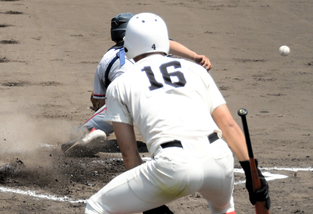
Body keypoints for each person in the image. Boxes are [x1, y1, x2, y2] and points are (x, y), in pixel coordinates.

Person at [83, 12, 270, 214]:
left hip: (173, 165)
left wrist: (149, 202)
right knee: (224, 207)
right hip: (219, 159)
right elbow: (229, 126)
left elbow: (129, 154)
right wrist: (252, 171)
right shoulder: (196, 71)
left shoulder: (121, 84)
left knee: (97, 208)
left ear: (129, 44)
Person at [62, 12, 212, 156]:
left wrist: (98, 107)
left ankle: (91, 132)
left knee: (79, 131)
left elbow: (102, 102)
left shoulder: (106, 58)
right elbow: (167, 43)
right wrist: (194, 55)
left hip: (127, 100)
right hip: (163, 99)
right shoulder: (152, 50)